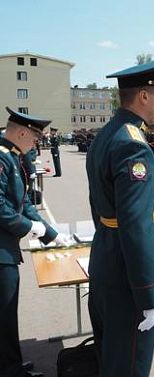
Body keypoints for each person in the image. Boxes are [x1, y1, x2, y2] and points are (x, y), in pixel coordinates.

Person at [86, 55, 154, 377]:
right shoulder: (132, 145)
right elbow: (137, 226)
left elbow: (98, 205)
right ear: (144, 95)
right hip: (128, 279)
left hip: (108, 264)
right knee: (129, 367)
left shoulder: (108, 135)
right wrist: (148, 293)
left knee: (112, 361)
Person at [1, 107, 69, 377]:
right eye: (34, 138)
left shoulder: (13, 158)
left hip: (6, 248)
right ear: (20, 132)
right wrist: (32, 228)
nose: (36, 143)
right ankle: (10, 371)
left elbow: (24, 202)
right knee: (4, 315)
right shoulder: (3, 159)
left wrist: (52, 233)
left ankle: (11, 364)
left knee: (6, 314)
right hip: (1, 252)